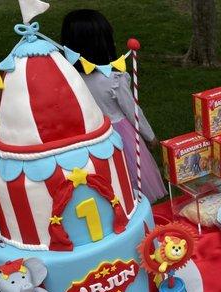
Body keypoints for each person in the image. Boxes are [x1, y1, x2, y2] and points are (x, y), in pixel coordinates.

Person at [61, 9, 167, 203]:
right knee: (131, 173)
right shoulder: (112, 79)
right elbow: (133, 112)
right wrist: (150, 136)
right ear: (103, 43)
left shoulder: (69, 78)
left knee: (104, 176)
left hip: (88, 135)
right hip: (119, 134)